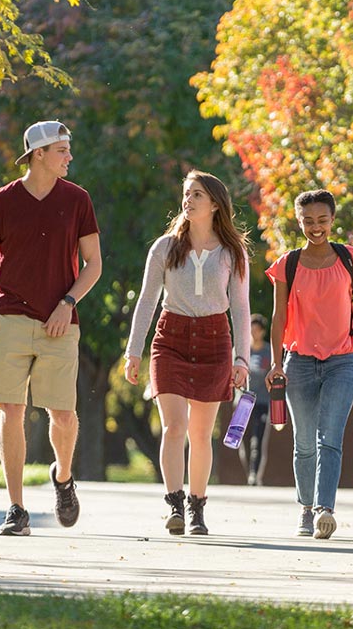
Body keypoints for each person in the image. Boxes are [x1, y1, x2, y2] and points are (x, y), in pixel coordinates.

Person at [0, 120, 102, 536]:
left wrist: (67, 303)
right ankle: (16, 509)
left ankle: (63, 477)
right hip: (9, 318)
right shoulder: (1, 201)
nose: (69, 157)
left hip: (60, 321)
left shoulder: (78, 200)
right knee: (12, 410)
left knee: (63, 414)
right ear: (38, 153)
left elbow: (94, 264)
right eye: (62, 150)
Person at [124, 171, 251, 535]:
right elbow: (147, 300)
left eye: (197, 195)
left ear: (214, 203)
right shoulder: (164, 248)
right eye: (186, 194)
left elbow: (240, 308)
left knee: (200, 433)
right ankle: (175, 505)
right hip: (171, 339)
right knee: (174, 426)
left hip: (214, 340)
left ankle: (198, 508)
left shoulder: (232, 251)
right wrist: (134, 351)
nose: (189, 200)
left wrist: (241, 358)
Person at [265, 190, 353, 540]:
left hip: (342, 361)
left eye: (322, 220)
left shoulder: (348, 258)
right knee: (304, 442)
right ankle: (306, 510)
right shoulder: (287, 265)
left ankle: (325, 509)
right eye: (308, 221)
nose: (315, 227)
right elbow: (279, 318)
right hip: (299, 363)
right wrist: (276, 362)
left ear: (332, 220)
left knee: (330, 437)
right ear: (299, 222)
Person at [244, 313, 273, 486]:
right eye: (251, 330)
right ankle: (249, 470)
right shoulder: (241, 351)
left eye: (257, 330)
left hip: (262, 400)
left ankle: (254, 474)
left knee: (259, 438)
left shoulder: (268, 351)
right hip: (243, 401)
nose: (254, 333)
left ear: (262, 332)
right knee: (244, 439)